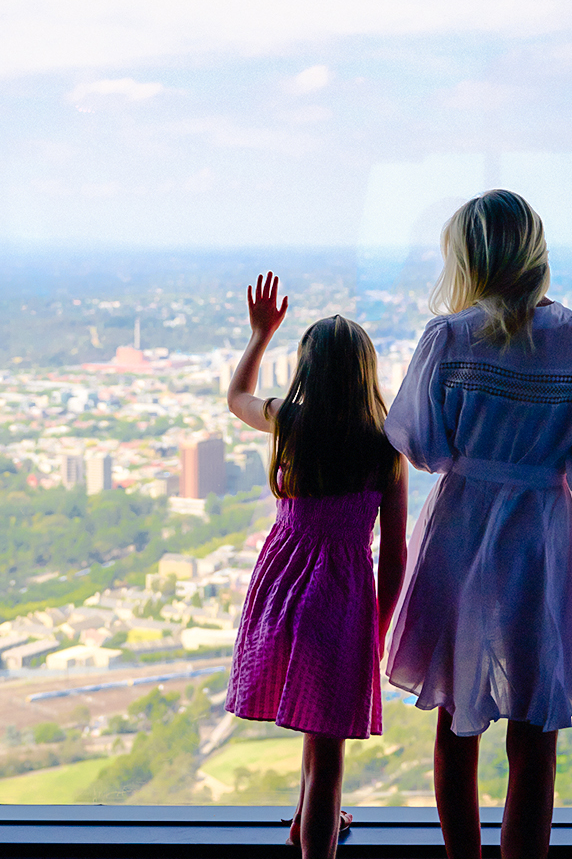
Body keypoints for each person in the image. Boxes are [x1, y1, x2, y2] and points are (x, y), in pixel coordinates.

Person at [383, 190, 572, 859]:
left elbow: (423, 444)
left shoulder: (449, 338)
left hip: (460, 526)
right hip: (540, 534)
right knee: (535, 730)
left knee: (452, 722)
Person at [225, 271, 408, 859]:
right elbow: (395, 551)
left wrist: (260, 335)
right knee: (328, 744)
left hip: (282, 587)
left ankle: (308, 821)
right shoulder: (385, 447)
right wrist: (378, 626)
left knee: (313, 720)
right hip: (342, 595)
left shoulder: (291, 423)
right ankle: (317, 845)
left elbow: (236, 400)